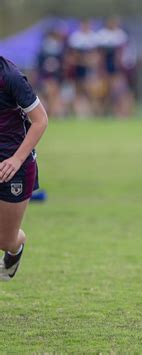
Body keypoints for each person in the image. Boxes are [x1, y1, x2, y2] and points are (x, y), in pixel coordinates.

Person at [0, 56, 48, 281]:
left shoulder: (9, 76)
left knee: (5, 240)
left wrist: (16, 159)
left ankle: (15, 249)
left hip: (13, 167)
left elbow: (40, 121)